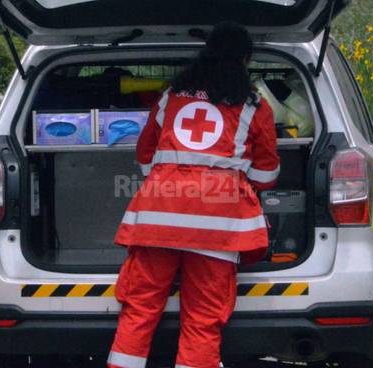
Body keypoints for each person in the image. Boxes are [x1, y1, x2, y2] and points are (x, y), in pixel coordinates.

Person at [108, 21, 280, 368]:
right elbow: (266, 173)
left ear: (205, 54)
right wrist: (236, 182)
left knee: (139, 308)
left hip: (158, 219)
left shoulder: (171, 96)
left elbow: (145, 154)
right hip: (218, 226)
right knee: (203, 319)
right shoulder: (255, 107)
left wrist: (168, 178)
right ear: (244, 61)